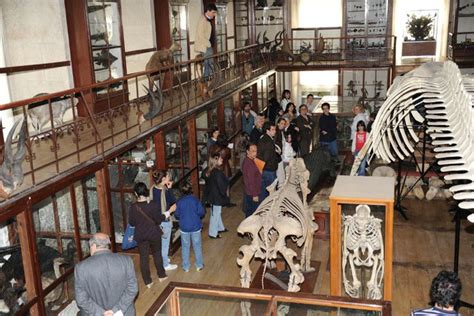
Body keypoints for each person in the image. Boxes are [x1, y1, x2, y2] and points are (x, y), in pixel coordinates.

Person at [75, 233, 138, 316]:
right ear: (108, 245)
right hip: (123, 312)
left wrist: (101, 313)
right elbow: (133, 289)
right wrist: (115, 310)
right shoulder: (126, 261)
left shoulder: (81, 267)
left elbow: (81, 299)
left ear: (93, 245)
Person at [130, 182, 175, 288]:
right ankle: (161, 275)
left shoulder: (133, 207)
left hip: (141, 235)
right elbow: (158, 220)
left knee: (144, 258)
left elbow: (131, 223)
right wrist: (168, 212)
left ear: (136, 194)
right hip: (154, 234)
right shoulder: (153, 204)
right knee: (157, 254)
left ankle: (147, 281)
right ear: (145, 191)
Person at [174, 183, 205, 272]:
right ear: (191, 189)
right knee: (197, 246)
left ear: (181, 192)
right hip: (195, 226)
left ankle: (186, 266)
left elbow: (177, 215)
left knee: (185, 246)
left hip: (184, 227)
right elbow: (201, 212)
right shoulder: (195, 200)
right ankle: (199, 265)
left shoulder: (180, 202)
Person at [150, 170, 178, 271]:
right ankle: (165, 264)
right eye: (167, 177)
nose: (168, 178)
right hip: (164, 220)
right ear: (163, 179)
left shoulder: (152, 189)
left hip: (155, 220)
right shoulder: (165, 191)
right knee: (165, 244)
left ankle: (163, 259)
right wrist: (170, 189)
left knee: (159, 243)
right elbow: (173, 203)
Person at [206, 152, 230, 238]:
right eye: (220, 158)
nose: (222, 159)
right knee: (215, 214)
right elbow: (221, 185)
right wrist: (224, 193)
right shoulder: (218, 173)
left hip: (213, 196)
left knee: (216, 212)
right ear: (216, 161)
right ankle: (212, 233)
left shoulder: (211, 171)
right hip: (216, 197)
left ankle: (220, 227)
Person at [257, 121, 281, 198]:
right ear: (267, 130)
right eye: (273, 129)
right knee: (272, 193)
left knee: (264, 192)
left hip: (264, 169)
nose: (275, 131)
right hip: (269, 170)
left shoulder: (263, 138)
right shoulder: (269, 142)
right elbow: (266, 157)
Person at [195, 4, 217, 82]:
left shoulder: (206, 19)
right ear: (208, 11)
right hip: (205, 46)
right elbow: (200, 35)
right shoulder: (203, 20)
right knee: (209, 64)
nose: (214, 15)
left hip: (207, 45)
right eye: (213, 12)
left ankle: (207, 82)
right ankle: (208, 82)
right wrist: (209, 44)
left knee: (208, 64)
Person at [242, 144, 262, 217]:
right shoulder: (249, 164)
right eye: (253, 151)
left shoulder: (252, 160)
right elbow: (251, 181)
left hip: (252, 192)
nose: (255, 153)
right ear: (247, 151)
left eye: (256, 151)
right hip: (252, 193)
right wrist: (255, 195)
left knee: (251, 213)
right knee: (252, 214)